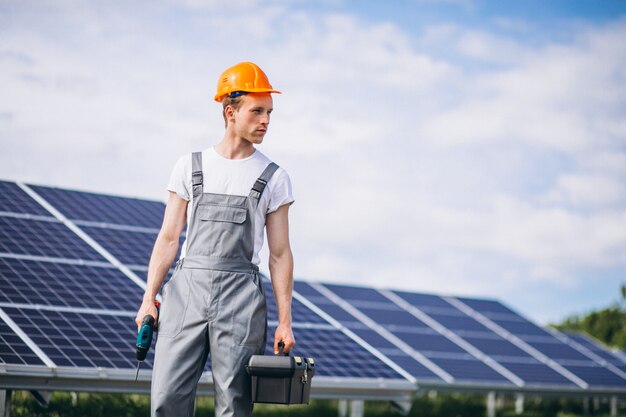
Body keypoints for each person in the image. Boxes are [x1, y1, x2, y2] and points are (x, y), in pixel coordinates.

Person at [134, 61, 296, 417]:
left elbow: (280, 254)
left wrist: (285, 320)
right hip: (185, 292)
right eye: (257, 111)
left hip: (241, 298)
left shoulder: (275, 177)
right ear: (230, 112)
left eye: (269, 112)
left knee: (235, 405)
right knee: (166, 400)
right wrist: (149, 299)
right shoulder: (189, 166)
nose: (266, 120)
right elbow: (168, 237)